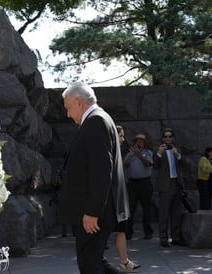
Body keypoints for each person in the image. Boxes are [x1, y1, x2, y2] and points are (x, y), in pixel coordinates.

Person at [59, 82, 130, 274]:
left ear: (79, 102)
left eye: (68, 108)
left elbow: (101, 171)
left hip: (92, 215)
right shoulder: (101, 118)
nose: (68, 114)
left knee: (90, 265)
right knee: (95, 262)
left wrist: (92, 212)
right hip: (95, 212)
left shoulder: (96, 121)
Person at [114, 126, 141, 273]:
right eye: (121, 136)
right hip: (111, 199)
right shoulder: (111, 151)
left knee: (121, 230)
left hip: (118, 197)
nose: (124, 139)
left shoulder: (117, 151)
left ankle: (124, 262)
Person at [153, 128, 185, 247]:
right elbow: (154, 166)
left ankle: (176, 238)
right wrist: (159, 154)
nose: (168, 138)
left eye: (170, 136)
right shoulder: (159, 151)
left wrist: (177, 154)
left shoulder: (177, 150)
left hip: (176, 185)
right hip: (165, 186)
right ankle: (163, 239)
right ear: (162, 138)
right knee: (164, 214)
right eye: (166, 137)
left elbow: (186, 164)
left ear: (173, 138)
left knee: (176, 214)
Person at [124, 134, 154, 241]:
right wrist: (132, 154)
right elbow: (125, 165)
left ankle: (148, 232)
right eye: (137, 141)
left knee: (146, 208)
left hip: (145, 183)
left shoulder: (148, 153)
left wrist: (139, 155)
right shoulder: (130, 153)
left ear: (144, 143)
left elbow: (147, 164)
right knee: (130, 208)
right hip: (132, 184)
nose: (139, 143)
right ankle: (128, 232)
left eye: (141, 141)